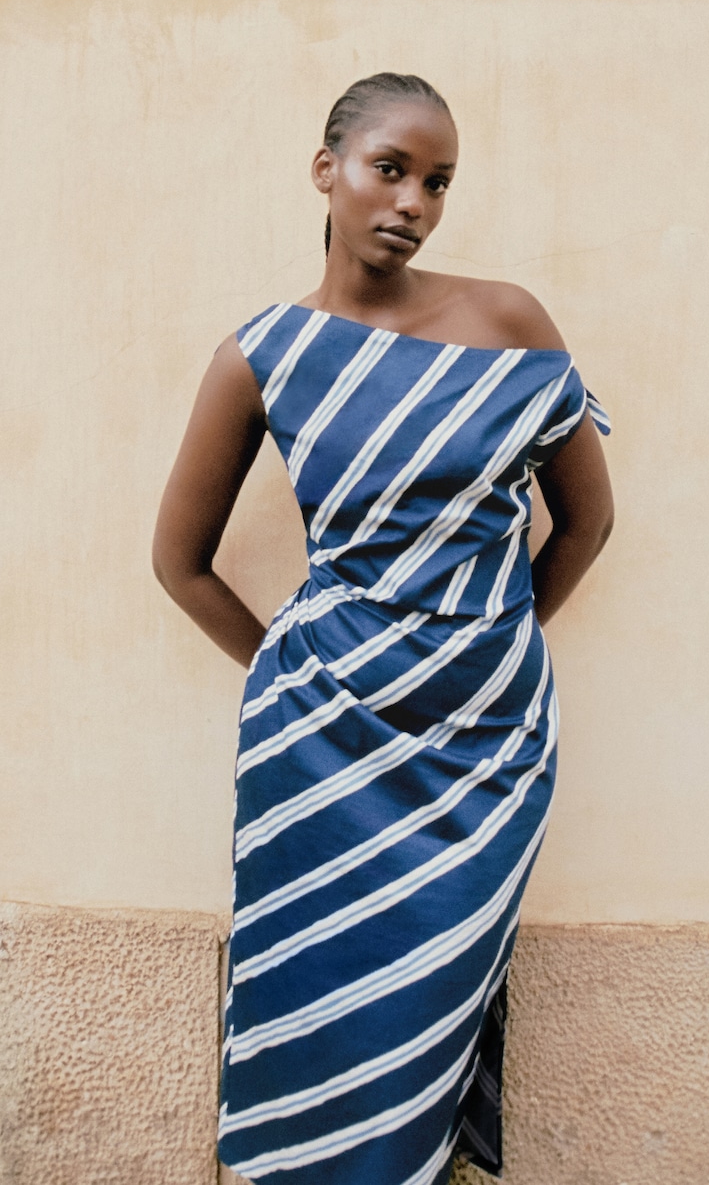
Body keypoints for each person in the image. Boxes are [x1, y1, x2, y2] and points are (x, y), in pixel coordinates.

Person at [153, 72, 614, 1185]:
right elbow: (180, 563)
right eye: (390, 169)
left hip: (483, 752)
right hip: (317, 749)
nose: (411, 200)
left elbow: (587, 525)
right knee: (314, 996)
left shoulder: (510, 323)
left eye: (437, 181)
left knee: (430, 1000)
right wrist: (291, 671)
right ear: (328, 172)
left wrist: (489, 643)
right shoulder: (261, 354)